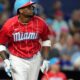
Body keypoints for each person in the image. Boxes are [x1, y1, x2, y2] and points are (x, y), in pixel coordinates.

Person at [0, 0, 53, 80]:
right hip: (17, 59)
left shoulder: (40, 22)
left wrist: (45, 59)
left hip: (35, 58)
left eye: (32, 6)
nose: (32, 8)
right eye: (29, 7)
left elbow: (46, 41)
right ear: (20, 10)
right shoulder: (9, 25)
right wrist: (6, 61)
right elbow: (1, 44)